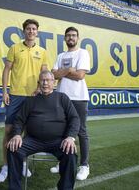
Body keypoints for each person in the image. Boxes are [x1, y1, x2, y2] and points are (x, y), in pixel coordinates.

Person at [7, 70, 80, 190]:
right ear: (39, 82)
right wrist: (16, 135)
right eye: (42, 80)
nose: (45, 83)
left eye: (48, 80)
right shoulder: (31, 100)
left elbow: (75, 119)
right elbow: (19, 120)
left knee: (70, 154)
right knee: (13, 148)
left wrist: (70, 137)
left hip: (58, 141)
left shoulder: (62, 98)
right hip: (33, 141)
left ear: (54, 82)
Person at [0, 19, 48, 183]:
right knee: (9, 132)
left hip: (34, 97)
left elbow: (45, 72)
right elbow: (6, 70)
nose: (31, 31)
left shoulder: (42, 51)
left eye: (34, 29)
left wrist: (40, 88)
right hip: (16, 96)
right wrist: (5, 91)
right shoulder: (14, 48)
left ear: (37, 32)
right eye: (28, 29)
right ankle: (6, 166)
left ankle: (23, 163)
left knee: (27, 133)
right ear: (24, 31)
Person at [51, 26, 91, 180]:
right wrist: (69, 70)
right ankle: (63, 162)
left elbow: (80, 75)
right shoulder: (61, 55)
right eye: (68, 36)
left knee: (81, 131)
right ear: (65, 38)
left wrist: (64, 71)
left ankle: (84, 165)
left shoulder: (83, 53)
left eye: (73, 35)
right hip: (62, 97)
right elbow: (54, 74)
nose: (71, 38)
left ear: (77, 38)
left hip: (79, 97)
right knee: (62, 130)